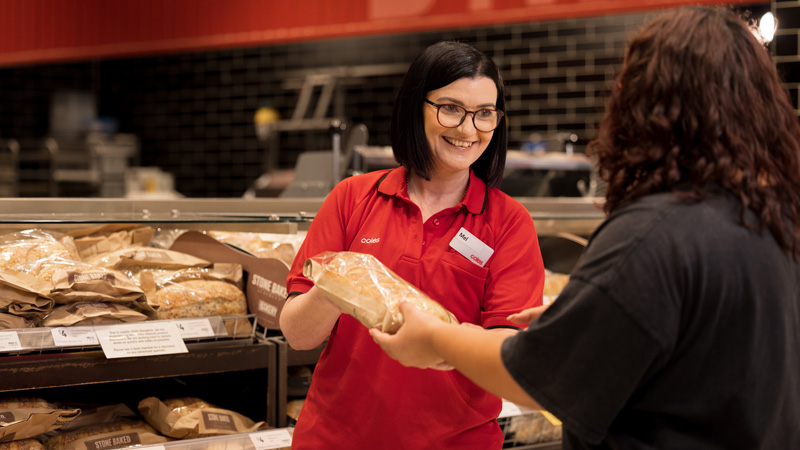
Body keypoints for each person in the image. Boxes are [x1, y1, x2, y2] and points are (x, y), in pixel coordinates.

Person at [371, 6, 800, 449]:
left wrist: (436, 336)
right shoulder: (775, 218)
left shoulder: (652, 234)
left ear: (648, 105)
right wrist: (582, 321)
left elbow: (535, 376)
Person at [280, 41, 546, 449]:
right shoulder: (353, 197)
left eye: (484, 114)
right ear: (414, 107)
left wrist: (441, 342)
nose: (468, 129)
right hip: (332, 439)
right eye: (451, 108)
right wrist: (349, 280)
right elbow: (298, 335)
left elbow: (508, 356)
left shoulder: (509, 223)